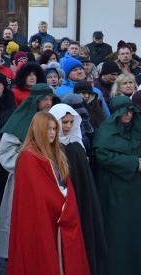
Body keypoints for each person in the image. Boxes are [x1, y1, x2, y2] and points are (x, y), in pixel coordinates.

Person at [8, 112, 89, 275]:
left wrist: (67, 200)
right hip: (41, 217)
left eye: (54, 128)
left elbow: (64, 183)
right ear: (38, 130)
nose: (52, 133)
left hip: (60, 214)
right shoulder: (28, 157)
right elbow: (38, 193)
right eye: (48, 129)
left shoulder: (54, 152)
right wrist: (62, 200)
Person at [0, 83, 58, 259]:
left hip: (47, 180)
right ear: (35, 101)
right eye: (44, 99)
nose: (48, 103)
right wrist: (31, 163)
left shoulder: (52, 120)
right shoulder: (19, 121)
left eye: (50, 99)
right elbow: (5, 153)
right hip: (22, 181)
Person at [50, 104, 107, 275]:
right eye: (63, 122)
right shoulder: (50, 147)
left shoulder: (76, 146)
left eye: (70, 122)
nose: (67, 126)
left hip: (80, 199)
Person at [93, 96, 141, 274]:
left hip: (136, 189)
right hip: (116, 188)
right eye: (124, 112)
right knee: (119, 231)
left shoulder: (138, 127)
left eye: (131, 111)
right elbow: (102, 154)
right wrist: (133, 163)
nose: (128, 115)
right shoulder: (106, 130)